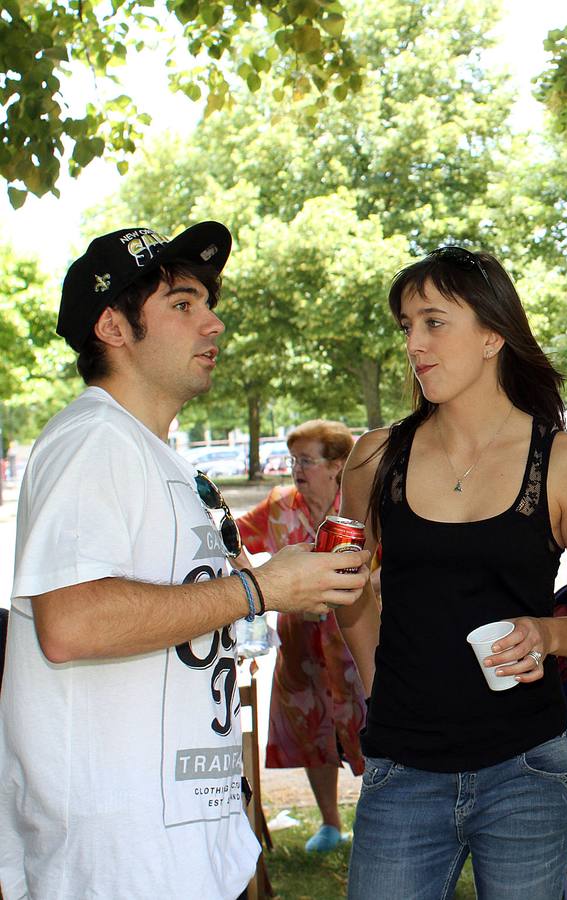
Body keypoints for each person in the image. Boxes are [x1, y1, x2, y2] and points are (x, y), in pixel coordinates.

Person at [0, 223, 367, 898]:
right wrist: (258, 590)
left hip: (183, 850)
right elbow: (71, 622)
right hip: (119, 865)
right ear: (112, 326)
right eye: (183, 304)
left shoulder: (154, 456)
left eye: (208, 303)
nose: (214, 323)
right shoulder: (93, 442)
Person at [336, 246, 567, 900]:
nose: (414, 343)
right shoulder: (374, 457)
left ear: (492, 334)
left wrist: (547, 636)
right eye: (406, 326)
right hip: (401, 769)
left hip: (528, 771)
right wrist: (381, 688)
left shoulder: (566, 462)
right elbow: (346, 590)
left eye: (434, 322)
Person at [236, 418, 368, 853]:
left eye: (306, 461)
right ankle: (330, 824)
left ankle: (377, 819)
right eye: (293, 460)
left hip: (355, 643)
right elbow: (228, 538)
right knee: (313, 733)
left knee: (369, 730)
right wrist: (249, 595)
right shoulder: (278, 506)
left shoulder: (360, 508)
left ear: (337, 465)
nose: (296, 469)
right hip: (299, 647)